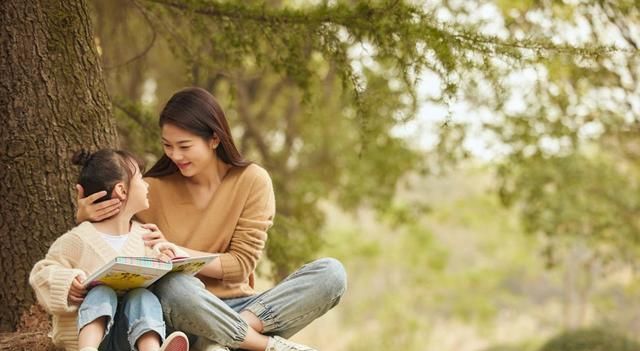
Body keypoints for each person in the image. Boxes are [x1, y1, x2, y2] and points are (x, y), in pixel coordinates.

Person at [76, 87, 347, 351]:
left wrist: (179, 254)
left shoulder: (251, 180)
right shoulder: (149, 189)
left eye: (184, 146)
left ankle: (218, 341)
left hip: (244, 308)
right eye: (167, 146)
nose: (175, 155)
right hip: (179, 313)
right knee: (175, 285)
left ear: (214, 139)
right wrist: (85, 220)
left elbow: (240, 265)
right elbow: (110, 241)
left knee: (331, 274)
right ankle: (259, 345)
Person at [30, 149, 190, 351]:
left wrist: (169, 256)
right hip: (86, 338)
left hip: (131, 339)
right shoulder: (78, 239)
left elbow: (175, 280)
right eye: (141, 178)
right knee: (101, 292)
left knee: (143, 296)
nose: (147, 184)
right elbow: (41, 274)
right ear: (122, 191)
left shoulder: (147, 237)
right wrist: (67, 282)